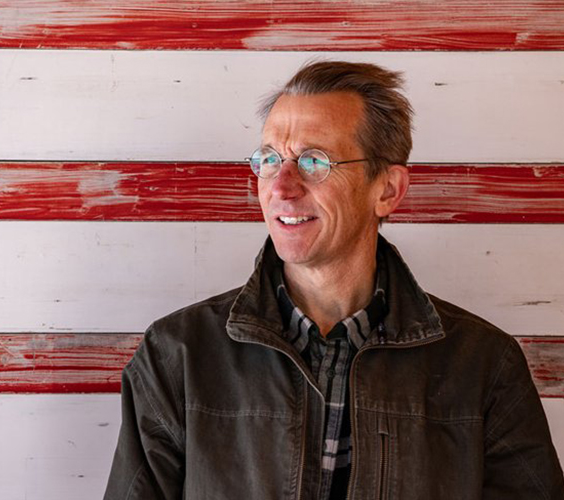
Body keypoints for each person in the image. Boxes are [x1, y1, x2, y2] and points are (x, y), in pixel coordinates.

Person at [103, 61, 564, 499]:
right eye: (268, 159)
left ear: (387, 190)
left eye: (314, 161)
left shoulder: (484, 367)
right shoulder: (178, 355)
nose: (281, 187)